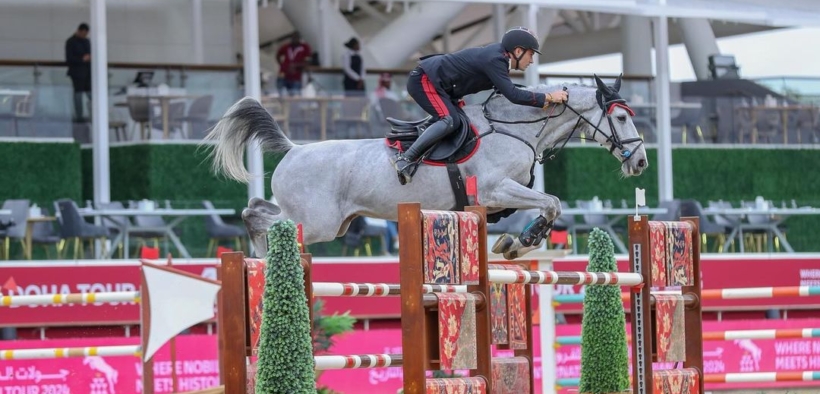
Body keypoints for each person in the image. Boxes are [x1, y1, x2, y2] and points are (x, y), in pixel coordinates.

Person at [392, 27, 568, 185]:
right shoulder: (496, 60)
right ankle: (405, 159)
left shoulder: (500, 60)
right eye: (531, 54)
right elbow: (513, 95)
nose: (531, 60)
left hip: (441, 86)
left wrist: (543, 100)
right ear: (518, 51)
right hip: (425, 80)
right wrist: (549, 96)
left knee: (462, 122)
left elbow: (507, 92)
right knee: (449, 120)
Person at [65, 23, 91, 122]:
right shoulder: (71, 42)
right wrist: (82, 59)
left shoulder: (86, 42)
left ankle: (92, 114)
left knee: (90, 94)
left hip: (87, 72)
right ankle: (79, 116)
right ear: (79, 31)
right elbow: (69, 58)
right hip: (77, 72)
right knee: (78, 95)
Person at [276, 32, 312, 96]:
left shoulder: (304, 47)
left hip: (296, 76)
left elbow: (307, 62)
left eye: (296, 37)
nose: (294, 39)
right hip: (284, 74)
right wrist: (282, 64)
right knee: (281, 93)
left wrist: (295, 66)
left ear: (299, 38)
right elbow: (278, 55)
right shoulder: (286, 47)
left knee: (295, 96)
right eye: (293, 38)